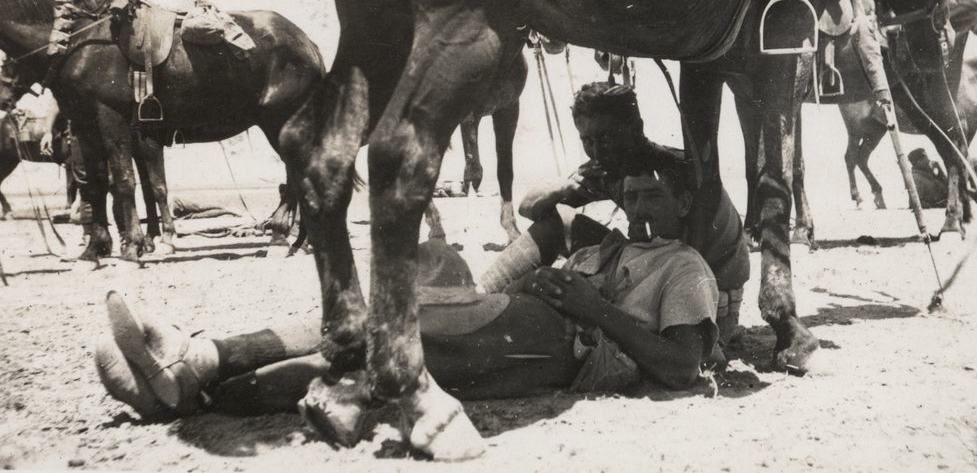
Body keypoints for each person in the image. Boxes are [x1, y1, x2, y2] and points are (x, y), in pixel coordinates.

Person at [95, 163, 720, 420]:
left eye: (653, 196)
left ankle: (204, 357)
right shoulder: (603, 241)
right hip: (538, 320)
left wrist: (593, 307)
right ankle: (190, 392)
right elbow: (541, 217)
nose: (636, 206)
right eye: (631, 195)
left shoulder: (685, 266)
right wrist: (535, 276)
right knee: (396, 320)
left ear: (684, 202)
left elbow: (683, 365)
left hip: (578, 344)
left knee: (396, 325)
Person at [479, 82, 748, 349]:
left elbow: (690, 259)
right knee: (559, 224)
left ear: (636, 129)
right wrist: (564, 187)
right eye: (588, 141)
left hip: (708, 287)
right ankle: (480, 295)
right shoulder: (611, 166)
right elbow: (529, 208)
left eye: (606, 138)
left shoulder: (672, 171)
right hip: (662, 266)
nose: (597, 151)